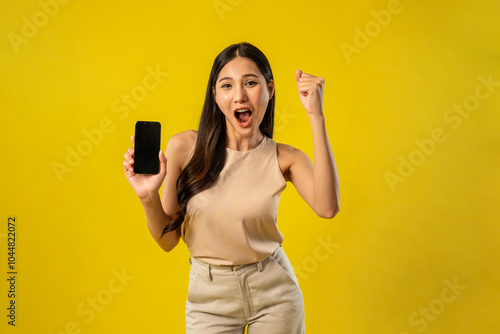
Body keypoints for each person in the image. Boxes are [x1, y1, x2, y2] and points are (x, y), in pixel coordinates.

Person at [123, 42, 340, 334]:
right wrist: (148, 196)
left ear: (270, 89)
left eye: (251, 83)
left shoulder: (285, 157)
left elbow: (327, 207)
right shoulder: (185, 147)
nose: (239, 95)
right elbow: (168, 241)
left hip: (274, 292)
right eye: (227, 86)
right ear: (215, 95)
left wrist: (316, 115)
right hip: (209, 298)